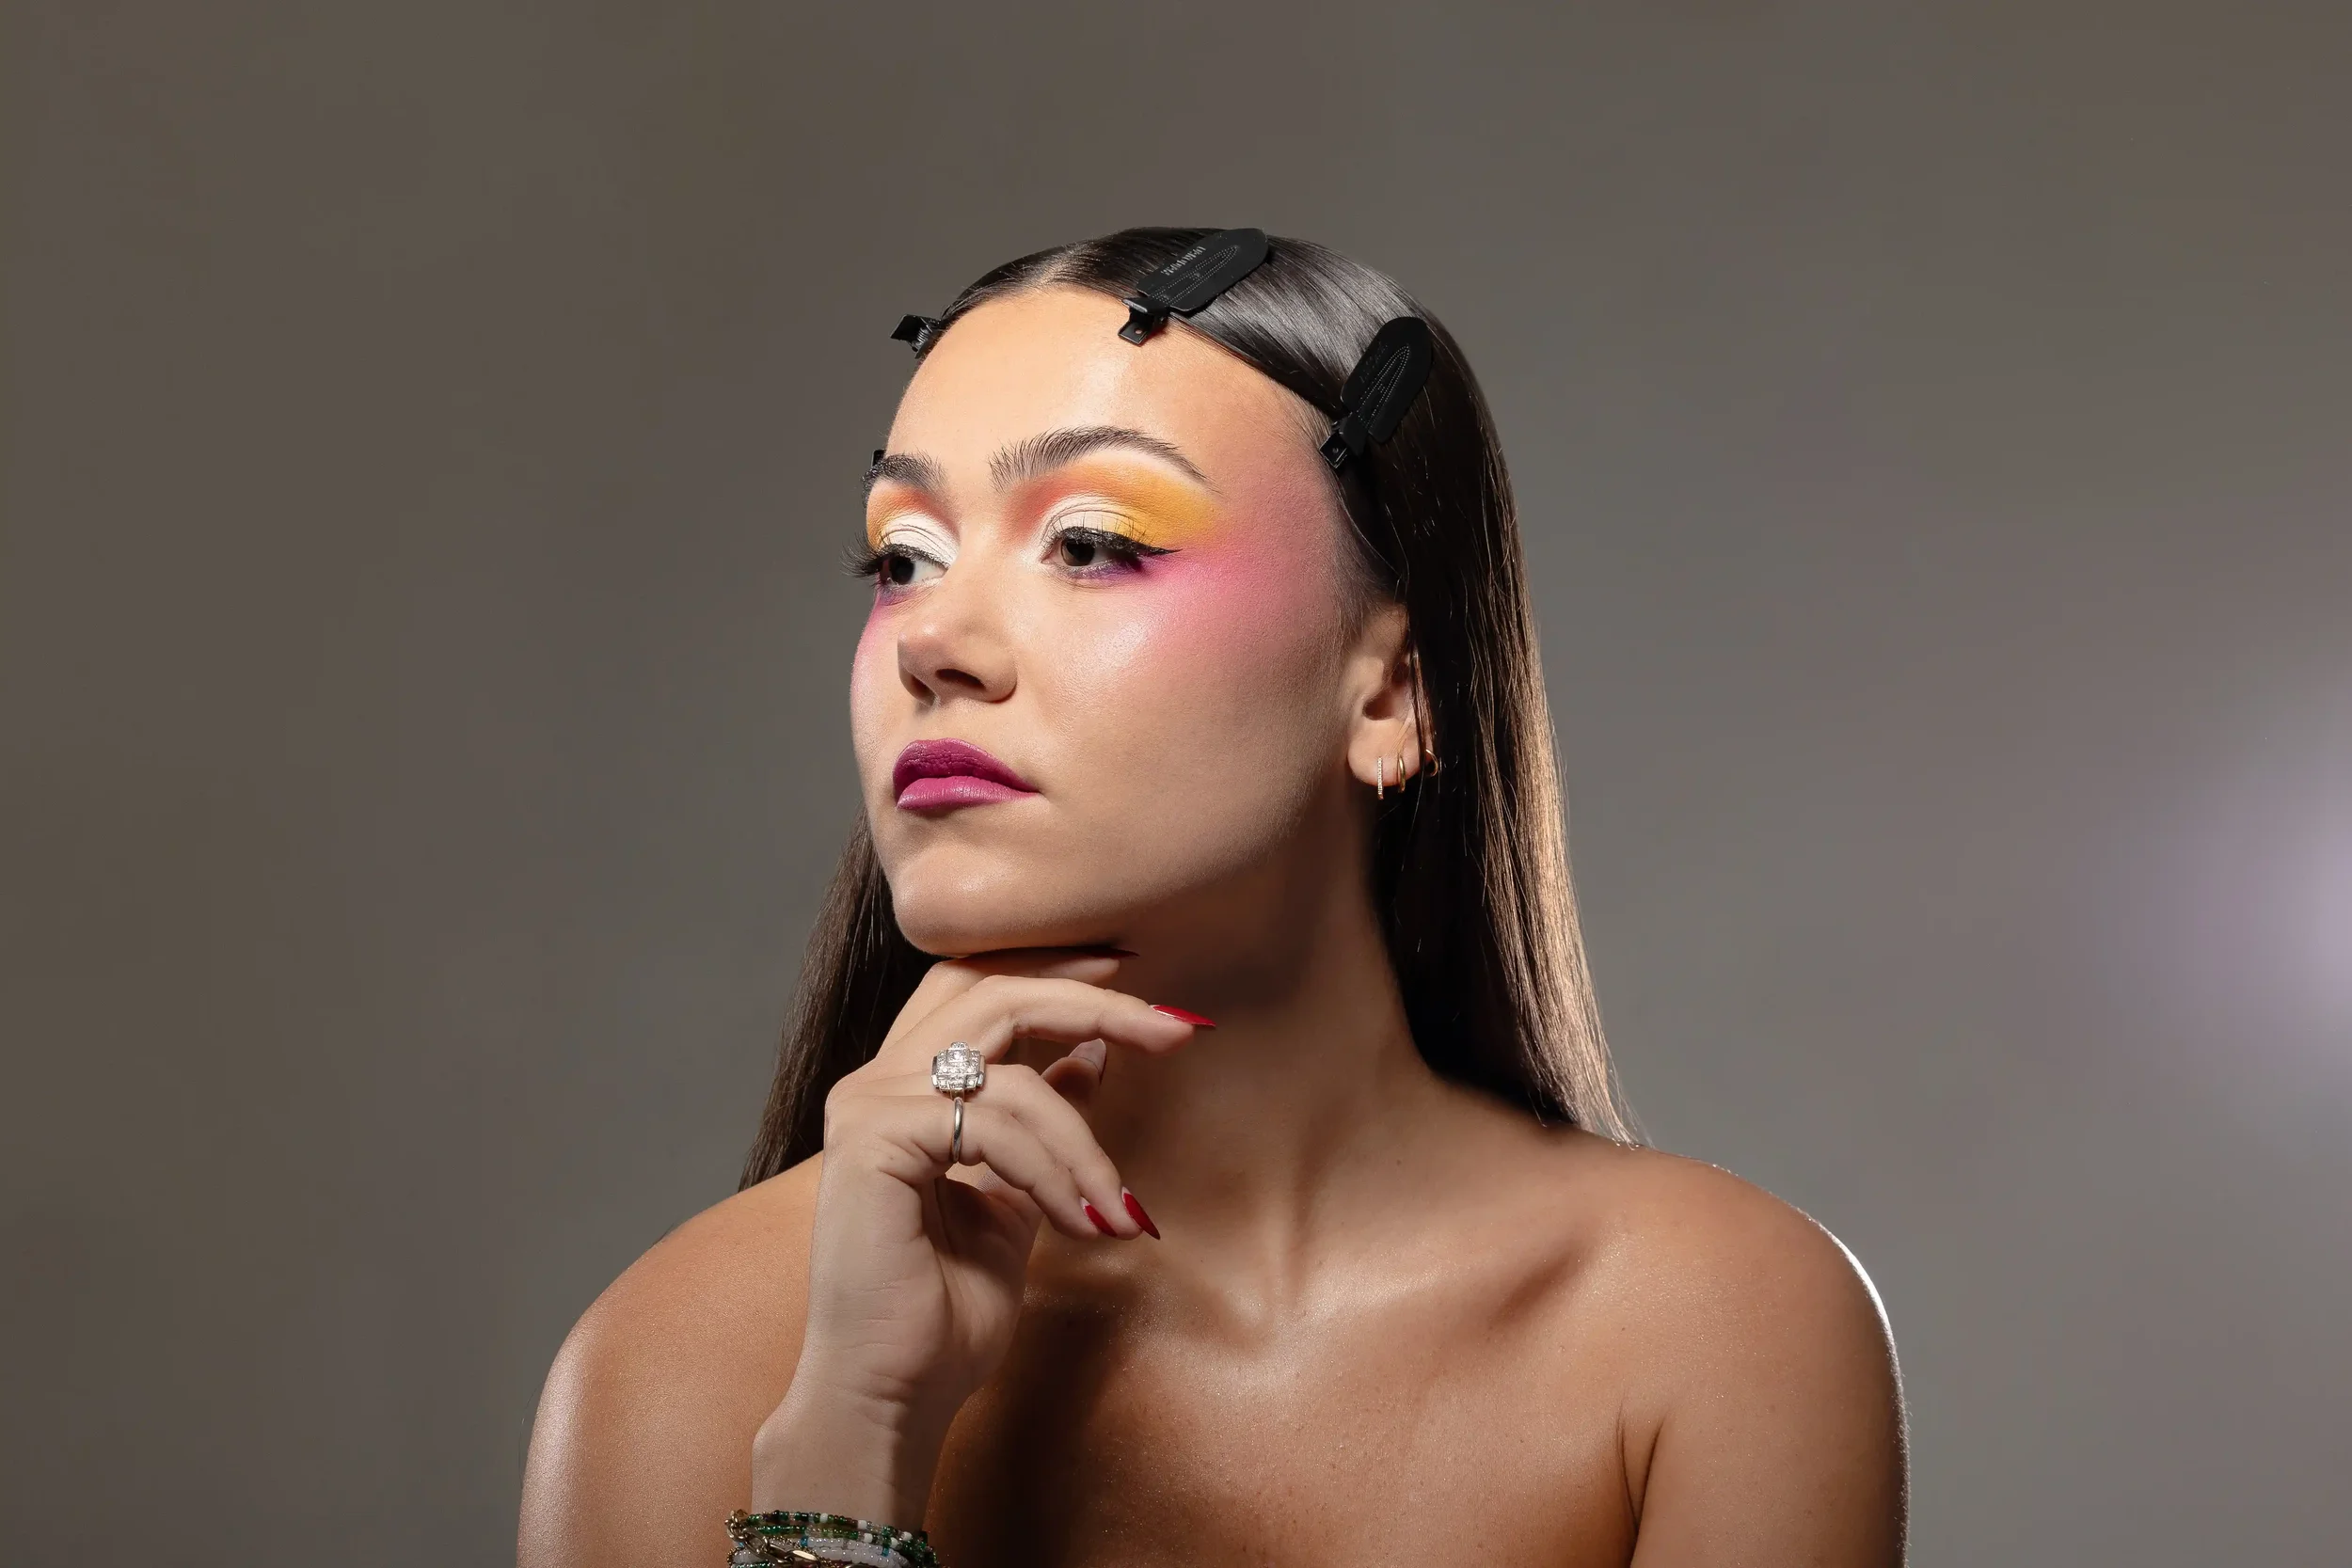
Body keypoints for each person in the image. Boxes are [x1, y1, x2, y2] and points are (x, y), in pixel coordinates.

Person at [517, 229, 1907, 1567]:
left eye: (1092, 541)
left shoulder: (1710, 1332)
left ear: (1391, 688)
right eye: (902, 557)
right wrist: (849, 1450)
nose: (931, 640)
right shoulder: (686, 1357)